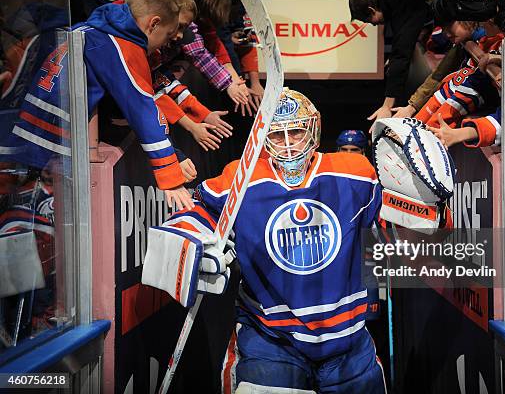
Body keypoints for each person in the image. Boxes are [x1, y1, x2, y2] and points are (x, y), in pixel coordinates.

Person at [142, 89, 456, 392]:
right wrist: (193, 247)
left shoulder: (356, 172)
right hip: (270, 338)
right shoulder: (240, 178)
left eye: (296, 131)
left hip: (347, 340)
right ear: (263, 137)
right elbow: (196, 214)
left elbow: (408, 233)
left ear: (314, 129)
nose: (289, 144)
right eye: (277, 134)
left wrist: (428, 207)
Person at [11, 0, 194, 210]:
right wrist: (171, 179)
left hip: (30, 125)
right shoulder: (122, 45)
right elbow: (143, 111)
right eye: (168, 34)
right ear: (153, 23)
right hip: (49, 138)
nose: (169, 41)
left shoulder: (97, 27)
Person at [349, 0, 431, 125]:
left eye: (370, 21)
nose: (374, 25)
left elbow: (402, 53)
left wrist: (387, 106)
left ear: (371, 10)